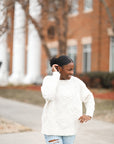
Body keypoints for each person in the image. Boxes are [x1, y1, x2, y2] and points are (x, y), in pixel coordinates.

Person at [41, 55, 95, 144]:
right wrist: (55, 75)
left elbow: (89, 98)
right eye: (69, 70)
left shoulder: (77, 82)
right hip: (52, 129)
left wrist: (89, 114)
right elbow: (49, 96)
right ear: (59, 68)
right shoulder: (49, 80)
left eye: (72, 69)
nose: (72, 72)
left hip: (70, 129)